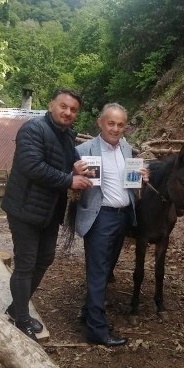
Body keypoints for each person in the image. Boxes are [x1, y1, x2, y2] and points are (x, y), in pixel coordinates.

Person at [1, 88, 91, 341]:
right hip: (24, 208)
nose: (68, 112)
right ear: (51, 105)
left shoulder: (66, 135)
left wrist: (79, 168)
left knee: (46, 258)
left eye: (73, 110)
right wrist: (69, 180)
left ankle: (15, 307)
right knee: (26, 263)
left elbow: (71, 161)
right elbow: (32, 166)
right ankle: (20, 318)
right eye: (64, 106)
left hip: (50, 211)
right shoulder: (33, 129)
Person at [74, 103, 149, 347]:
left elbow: (130, 183)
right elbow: (68, 179)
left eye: (120, 124)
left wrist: (142, 178)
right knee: (98, 272)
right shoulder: (84, 150)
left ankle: (88, 313)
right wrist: (73, 171)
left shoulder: (128, 149)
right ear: (100, 123)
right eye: (111, 123)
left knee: (106, 271)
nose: (115, 129)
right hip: (99, 217)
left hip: (123, 216)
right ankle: (97, 329)